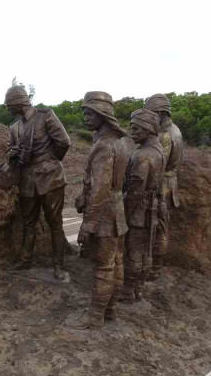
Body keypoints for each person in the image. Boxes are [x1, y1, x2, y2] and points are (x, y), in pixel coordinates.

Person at [74, 91, 131, 328]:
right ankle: (111, 312)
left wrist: (88, 224)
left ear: (102, 115)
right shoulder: (120, 142)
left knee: (104, 266)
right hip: (118, 211)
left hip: (105, 214)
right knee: (116, 262)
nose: (86, 117)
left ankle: (95, 318)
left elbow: (100, 189)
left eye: (90, 113)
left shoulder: (104, 147)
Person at [5, 85, 71, 280]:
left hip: (51, 178)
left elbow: (63, 142)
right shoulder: (14, 127)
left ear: (18, 102)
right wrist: (13, 154)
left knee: (55, 224)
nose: (7, 109)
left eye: (9, 105)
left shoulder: (46, 115)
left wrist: (50, 161)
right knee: (28, 224)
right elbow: (9, 151)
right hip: (27, 180)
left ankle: (58, 266)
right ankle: (25, 260)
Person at [122, 108, 165, 302]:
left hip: (139, 212)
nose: (131, 132)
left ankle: (129, 291)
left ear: (148, 129)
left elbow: (135, 191)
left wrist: (124, 212)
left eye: (135, 128)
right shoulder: (159, 151)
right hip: (152, 209)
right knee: (146, 251)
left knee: (134, 252)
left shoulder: (143, 156)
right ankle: (138, 289)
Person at [144, 94, 184, 280]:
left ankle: (155, 269)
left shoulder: (166, 135)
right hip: (168, 184)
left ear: (160, 112)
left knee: (158, 227)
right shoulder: (173, 130)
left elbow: (158, 165)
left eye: (151, 114)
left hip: (162, 186)